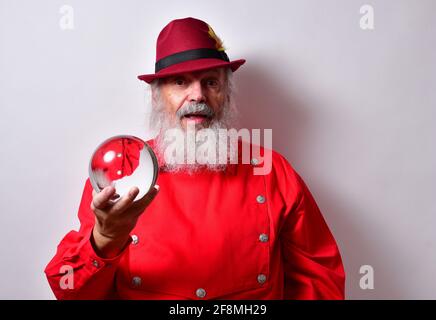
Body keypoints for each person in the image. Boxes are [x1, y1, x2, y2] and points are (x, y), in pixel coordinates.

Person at [45, 17, 345, 300]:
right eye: (179, 82)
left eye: (211, 82)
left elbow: (320, 279)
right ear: (155, 96)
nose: (197, 95)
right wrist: (105, 238)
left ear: (226, 93)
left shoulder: (271, 169)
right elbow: (72, 290)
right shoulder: (122, 170)